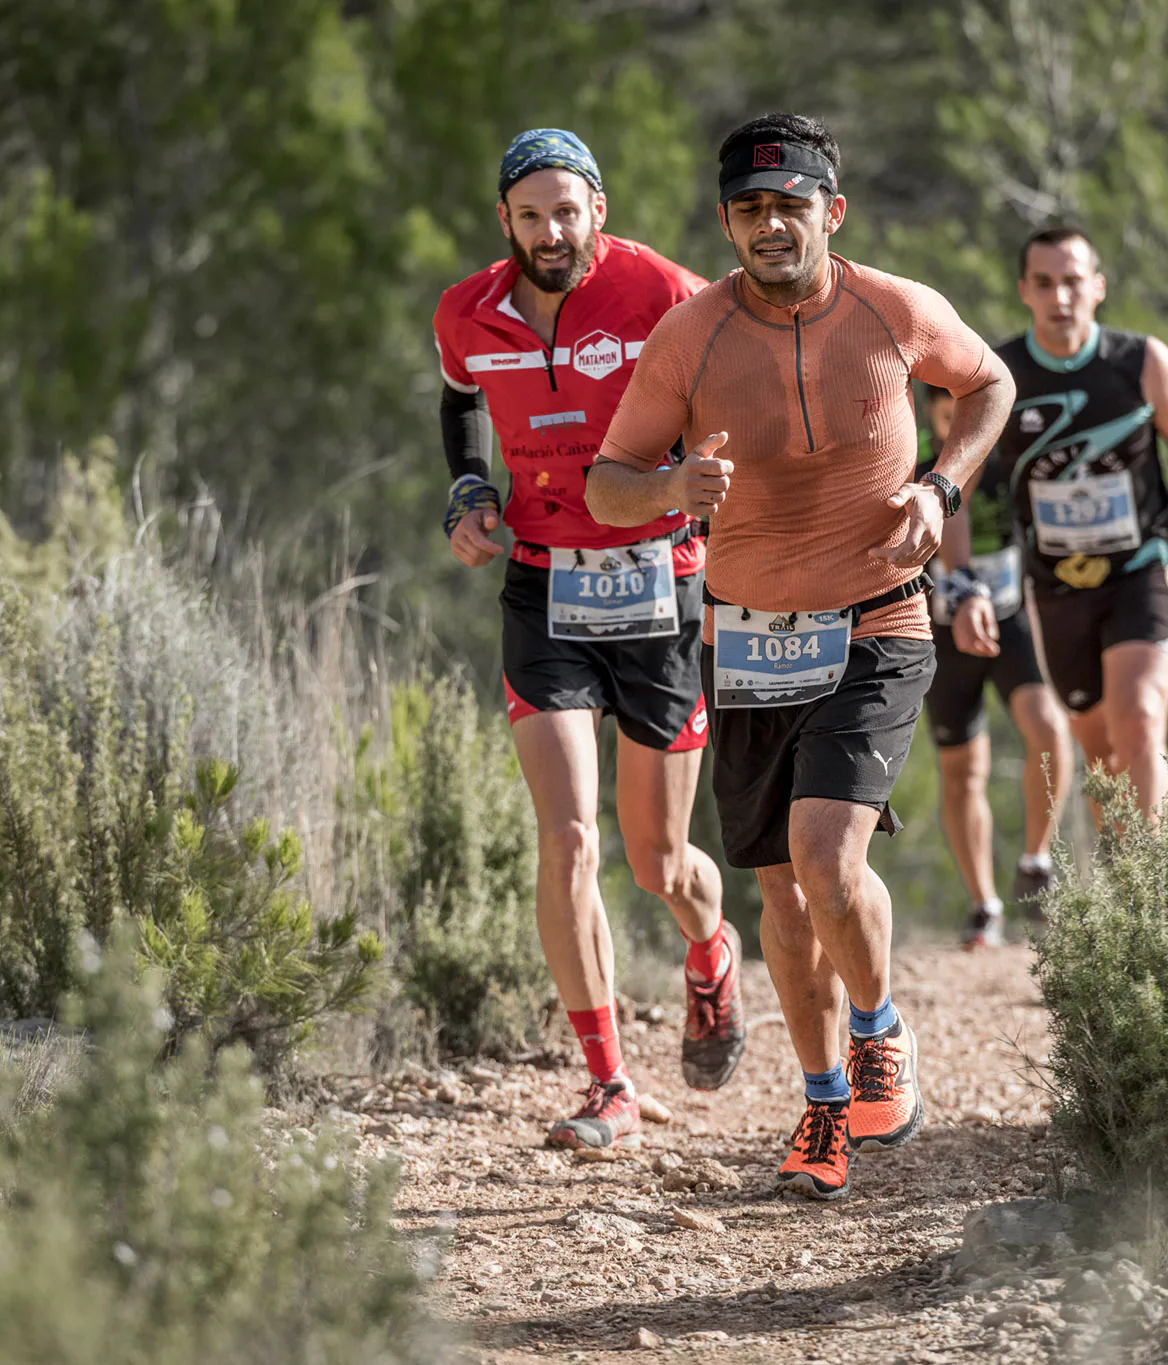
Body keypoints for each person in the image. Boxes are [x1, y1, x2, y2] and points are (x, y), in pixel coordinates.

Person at [587, 113, 1015, 1200]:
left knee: (826, 858)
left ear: (832, 211)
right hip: (745, 642)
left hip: (876, 617)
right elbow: (607, 483)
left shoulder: (893, 307)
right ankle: (824, 1101)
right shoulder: (688, 337)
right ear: (726, 221)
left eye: (789, 204)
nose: (769, 225)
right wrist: (668, 493)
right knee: (781, 899)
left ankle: (879, 1036)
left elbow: (989, 386)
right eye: (747, 209)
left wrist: (940, 486)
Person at [431, 129, 745, 1153]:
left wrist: (699, 484)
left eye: (567, 211)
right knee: (567, 836)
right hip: (541, 585)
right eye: (531, 215)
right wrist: (469, 489)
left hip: (658, 585)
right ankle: (607, 1083)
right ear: (505, 223)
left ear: (596, 211)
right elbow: (457, 395)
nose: (551, 232)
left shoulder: (660, 289)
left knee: (660, 863)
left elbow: (728, 380)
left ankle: (711, 950)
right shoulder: (466, 311)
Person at [961, 227, 1168, 820]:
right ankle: (1127, 903)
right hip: (1057, 590)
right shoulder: (999, 374)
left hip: (1143, 567)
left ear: (1097, 287)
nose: (1060, 297)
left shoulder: (1140, 362)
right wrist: (965, 584)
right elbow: (956, 490)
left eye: (1073, 281)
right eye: (1044, 283)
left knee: (1140, 718)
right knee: (1102, 761)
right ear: (1025, 290)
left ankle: (1159, 901)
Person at [916, 385, 1072, 948]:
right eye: (948, 415)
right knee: (963, 771)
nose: (961, 424)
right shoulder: (915, 471)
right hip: (941, 632)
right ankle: (984, 905)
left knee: (1050, 729)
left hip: (1008, 622)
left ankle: (1036, 859)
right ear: (930, 416)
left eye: (969, 414)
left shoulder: (1008, 466)